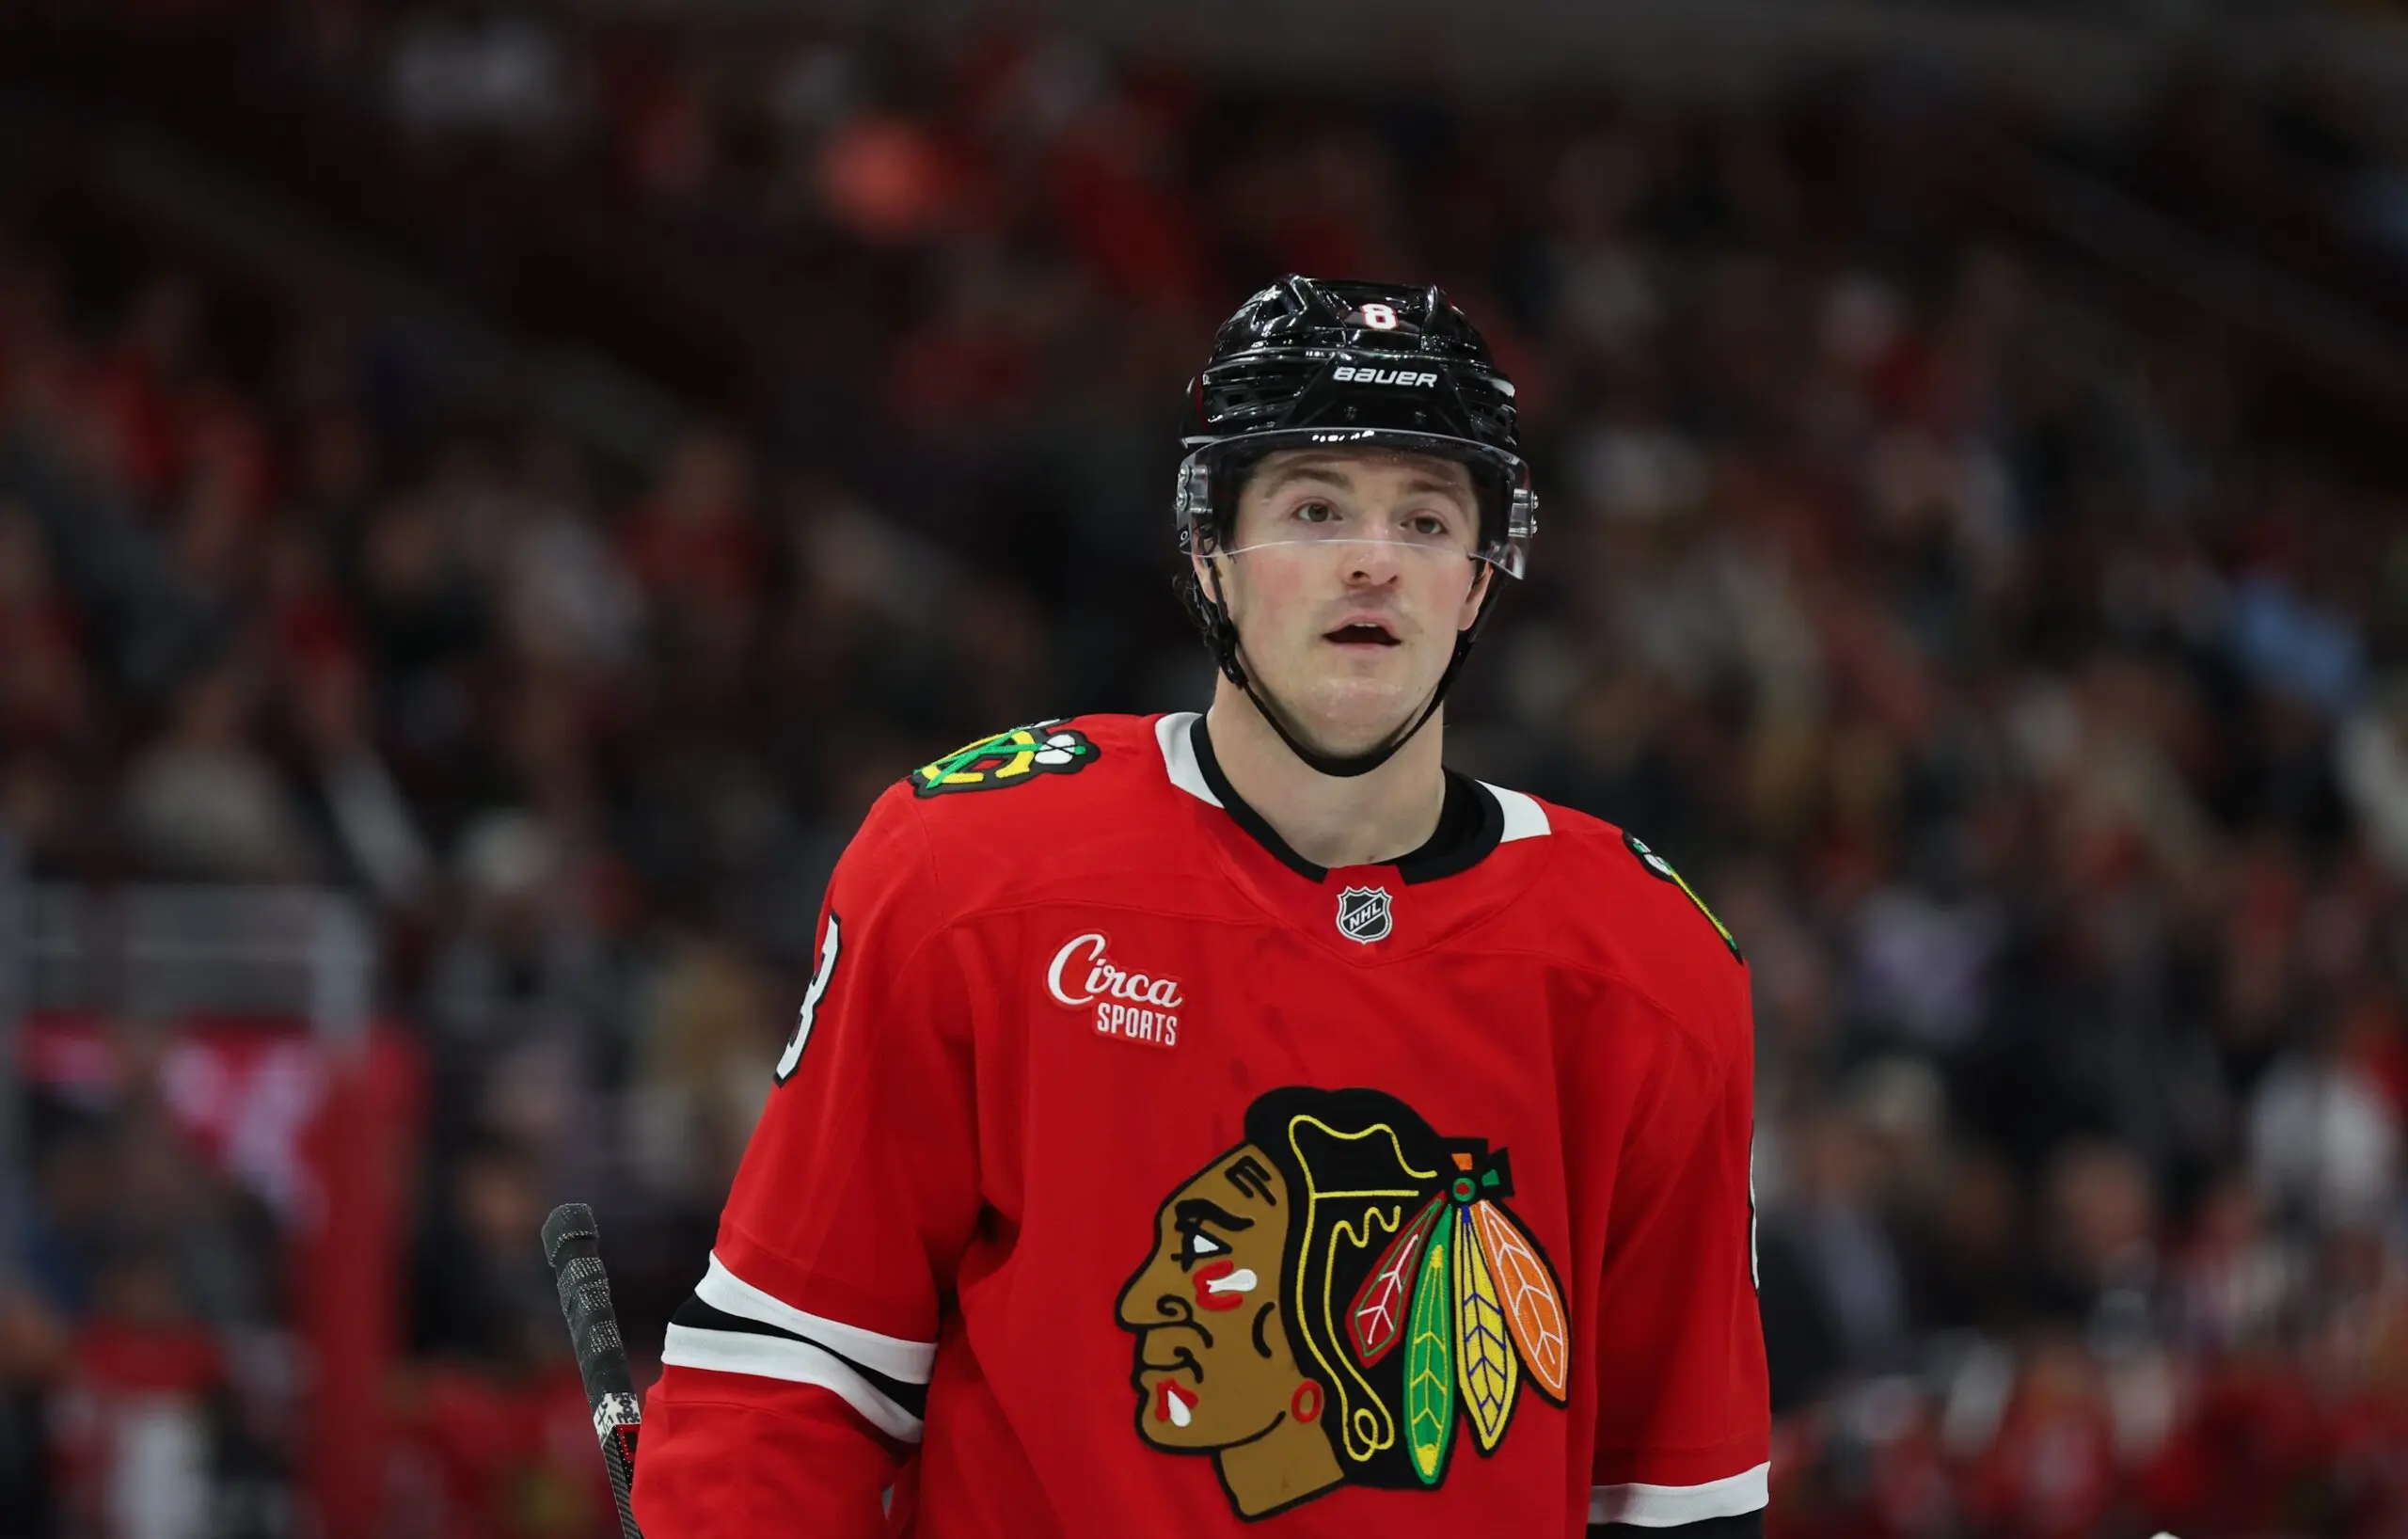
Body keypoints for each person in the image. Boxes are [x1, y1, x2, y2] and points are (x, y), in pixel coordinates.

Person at [631, 276, 1768, 1536]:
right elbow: (795, 1376)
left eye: (1429, 521)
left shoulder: (1649, 964)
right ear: (1208, 555)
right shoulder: (970, 873)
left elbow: (1680, 1497)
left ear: (1484, 579)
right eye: (1314, 507)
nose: (1373, 562)